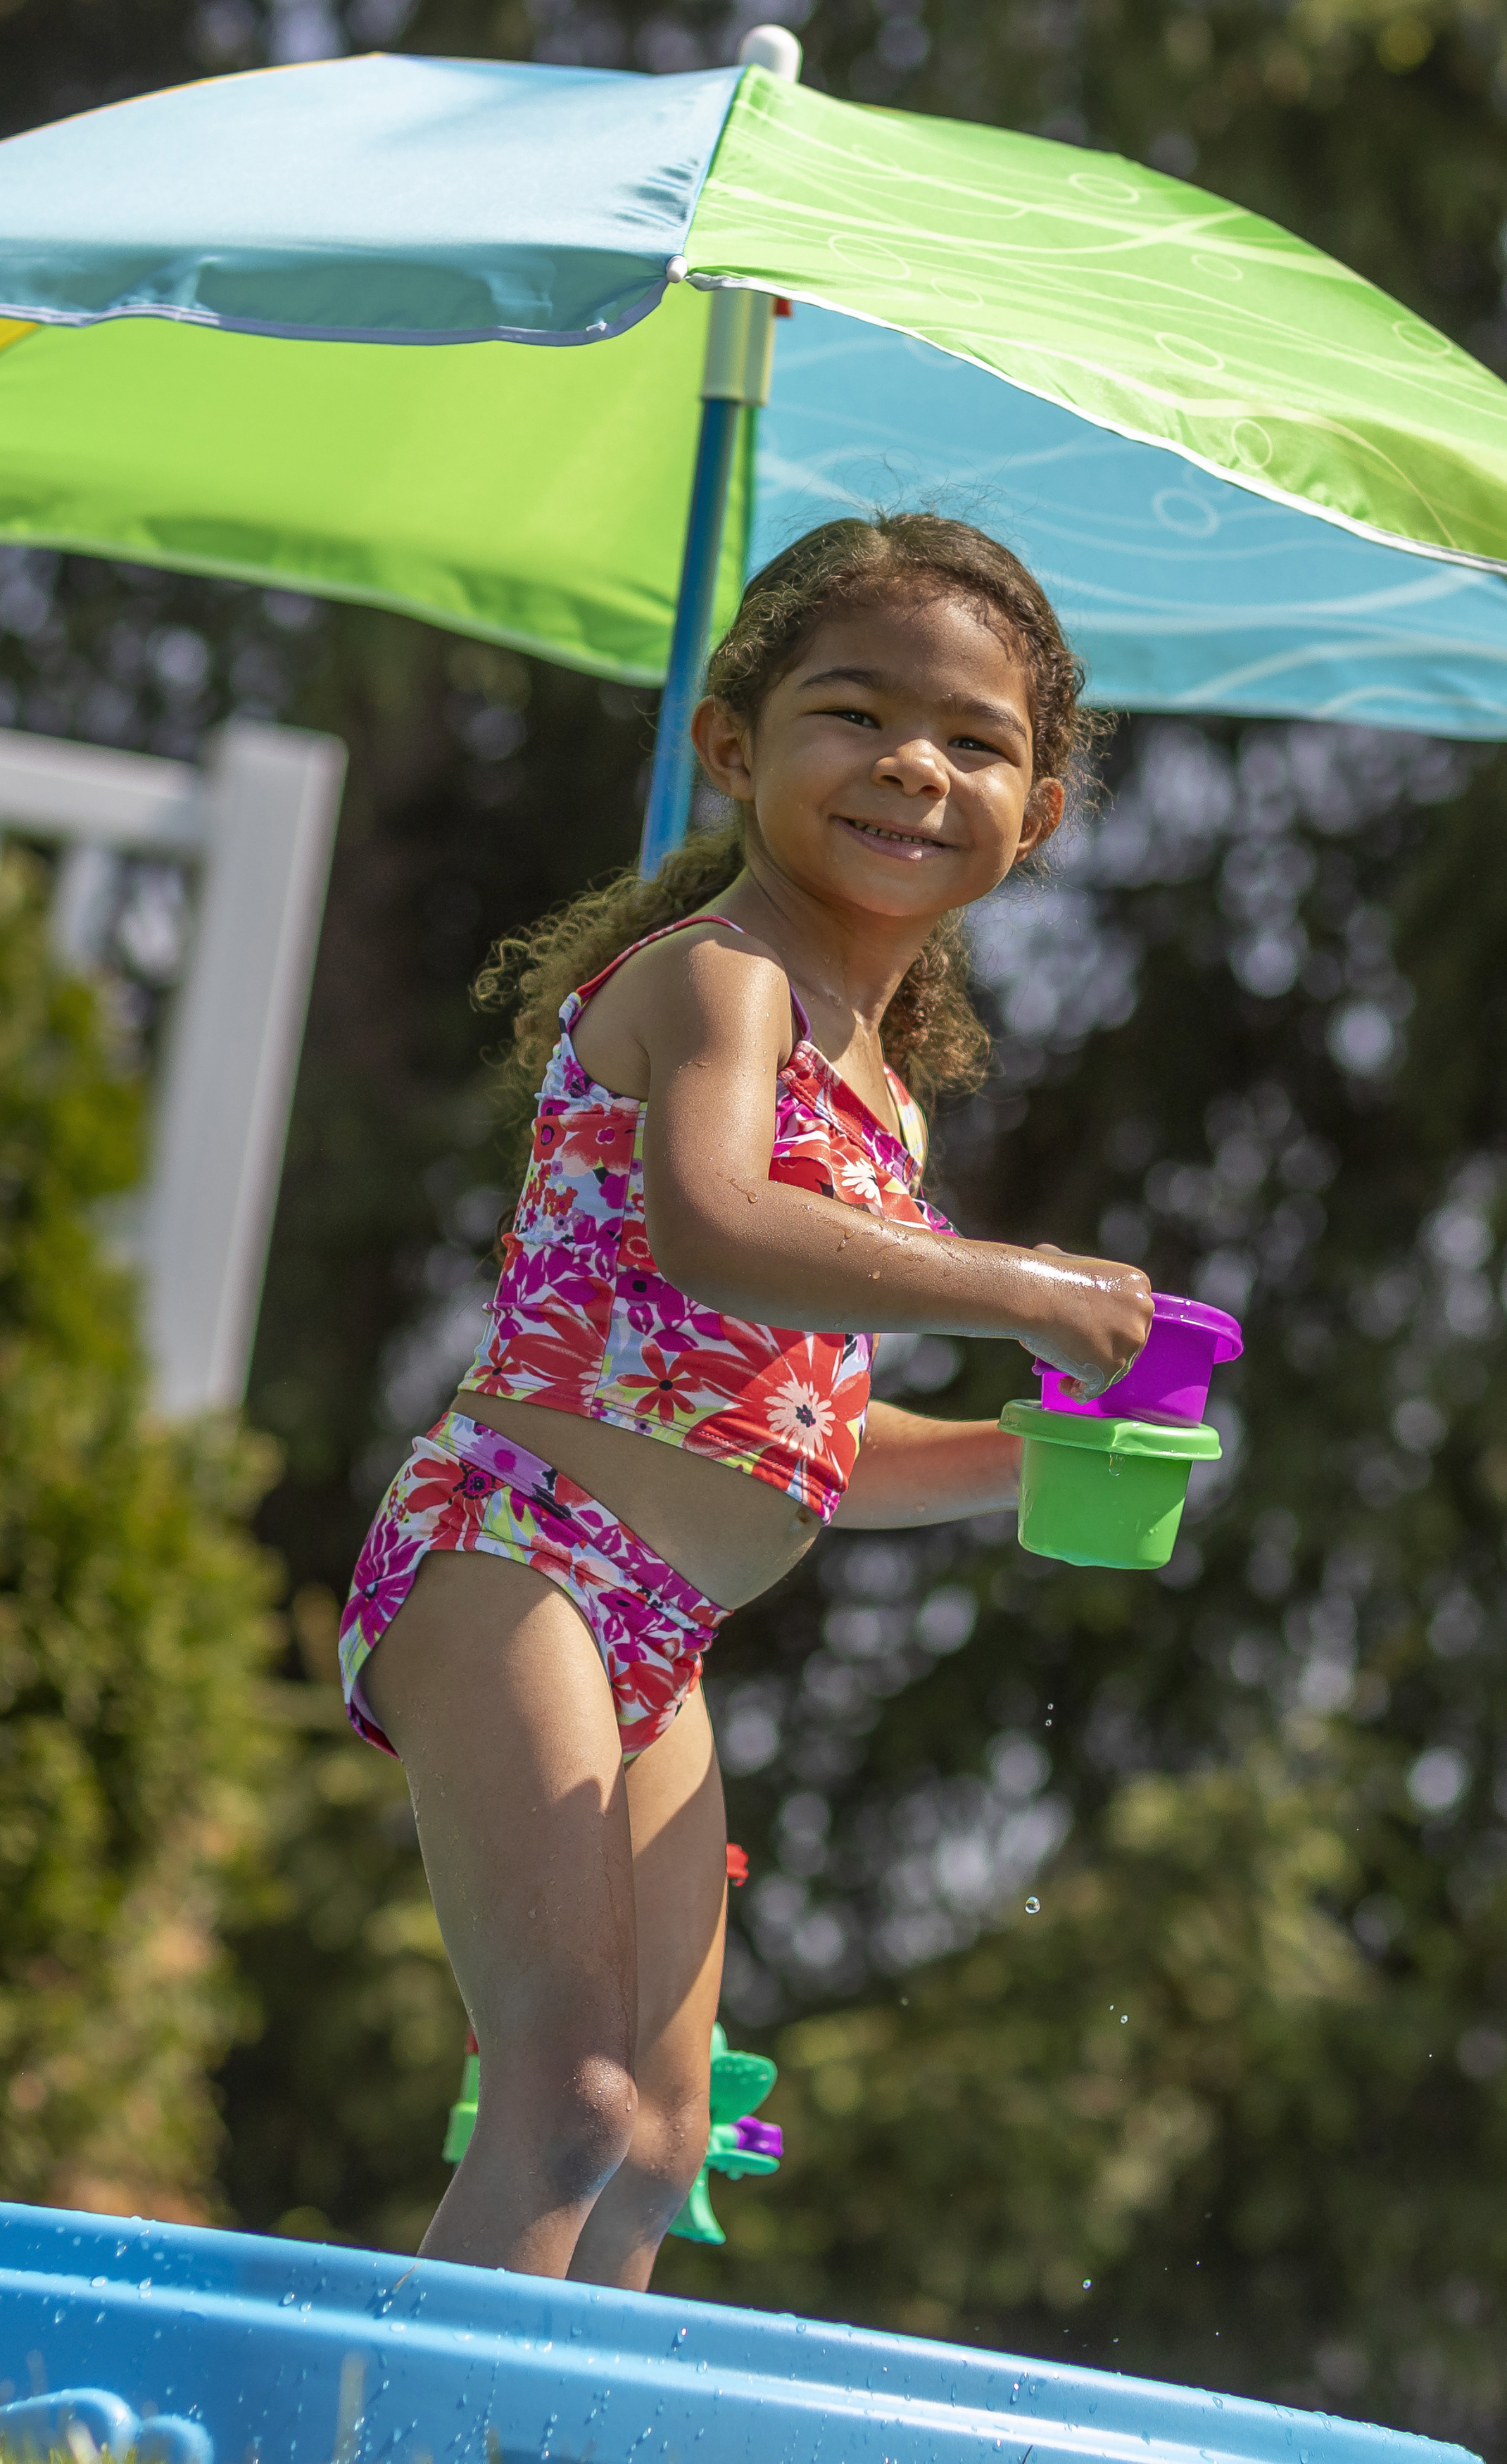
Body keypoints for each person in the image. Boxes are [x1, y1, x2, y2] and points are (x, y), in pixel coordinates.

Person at [336, 513, 1154, 2287]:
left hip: (663, 1630)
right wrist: (1019, 1283)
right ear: (733, 747)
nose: (914, 766)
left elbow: (807, 1443)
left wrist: (1030, 1459)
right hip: (519, 1556)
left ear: (1042, 817)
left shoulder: (889, 1107)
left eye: (978, 744)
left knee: (654, 2148)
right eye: (853, 714)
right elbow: (714, 1234)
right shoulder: (721, 980)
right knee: (561, 2096)